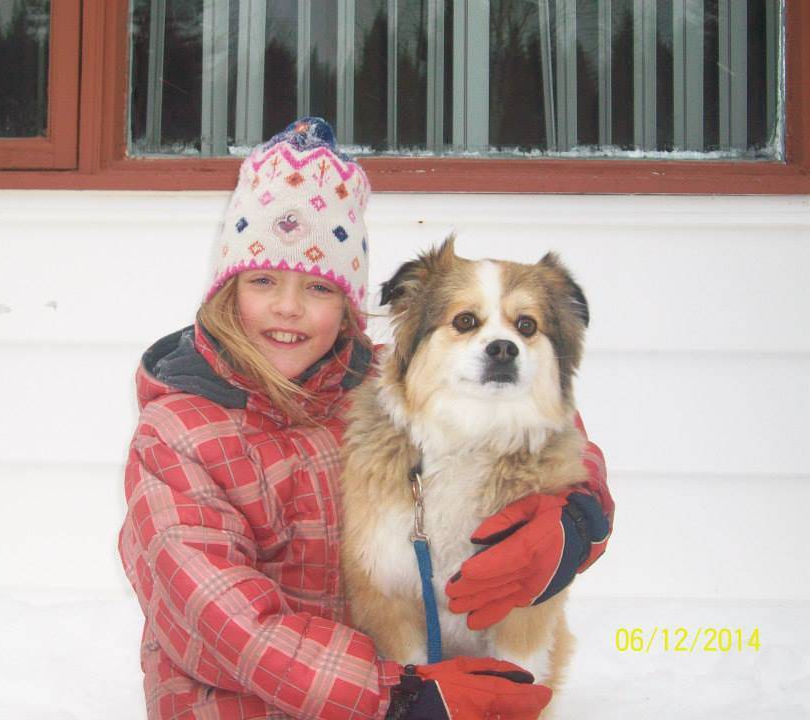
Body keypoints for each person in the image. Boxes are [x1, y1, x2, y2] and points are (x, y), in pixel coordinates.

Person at [117, 118, 614, 720]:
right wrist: (397, 697)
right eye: (264, 280)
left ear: (350, 305)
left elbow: (536, 421)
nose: (288, 308)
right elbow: (219, 619)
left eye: (318, 288)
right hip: (244, 703)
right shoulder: (178, 434)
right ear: (227, 290)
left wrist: (579, 515)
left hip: (406, 687)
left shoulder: (378, 381)